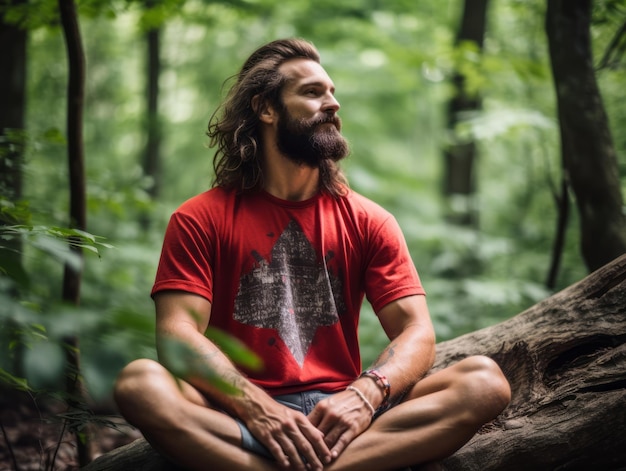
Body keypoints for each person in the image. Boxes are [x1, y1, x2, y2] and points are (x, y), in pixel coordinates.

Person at [114, 38, 511, 471]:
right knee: (140, 383)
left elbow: (417, 330)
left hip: (343, 418)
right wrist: (258, 408)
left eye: (333, 92)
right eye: (312, 92)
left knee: (484, 382)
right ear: (266, 109)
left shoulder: (369, 219)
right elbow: (176, 334)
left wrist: (365, 393)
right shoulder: (199, 218)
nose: (333, 104)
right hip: (236, 413)